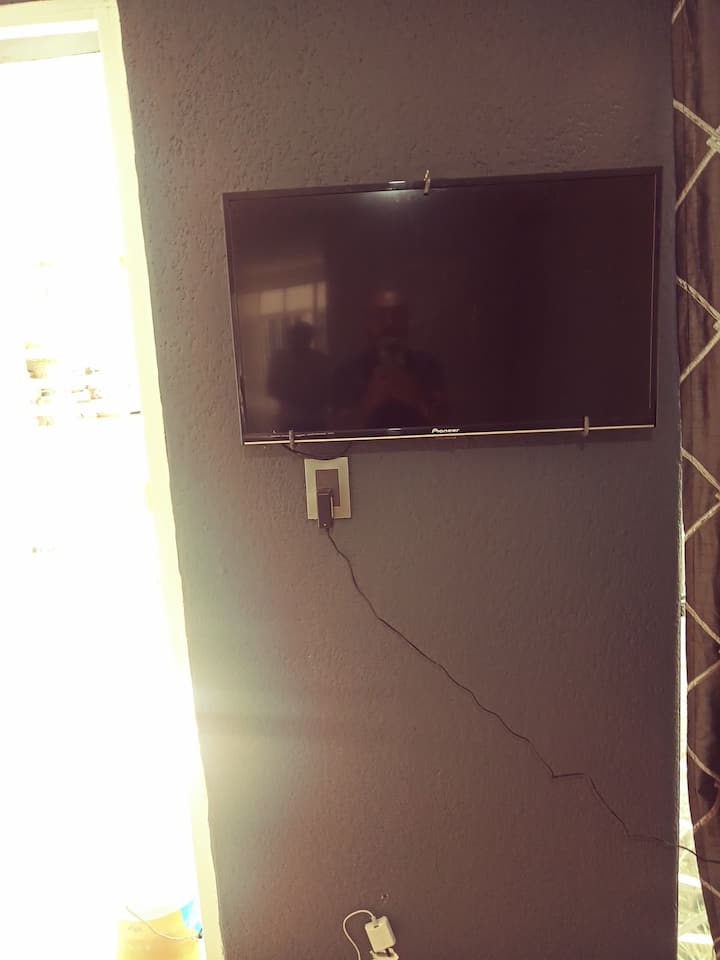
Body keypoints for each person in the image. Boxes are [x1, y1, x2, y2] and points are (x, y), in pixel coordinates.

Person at [334, 290, 446, 428]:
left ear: (408, 322)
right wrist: (370, 402)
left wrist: (414, 398)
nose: (389, 323)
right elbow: (336, 431)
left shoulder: (429, 367)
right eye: (380, 316)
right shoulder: (347, 372)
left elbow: (447, 427)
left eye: (397, 315)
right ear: (368, 323)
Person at [266, 320, 331, 431]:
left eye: (304, 336)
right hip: (294, 418)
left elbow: (330, 391)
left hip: (310, 418)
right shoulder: (280, 359)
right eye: (297, 336)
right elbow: (271, 388)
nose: (300, 340)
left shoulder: (321, 360)